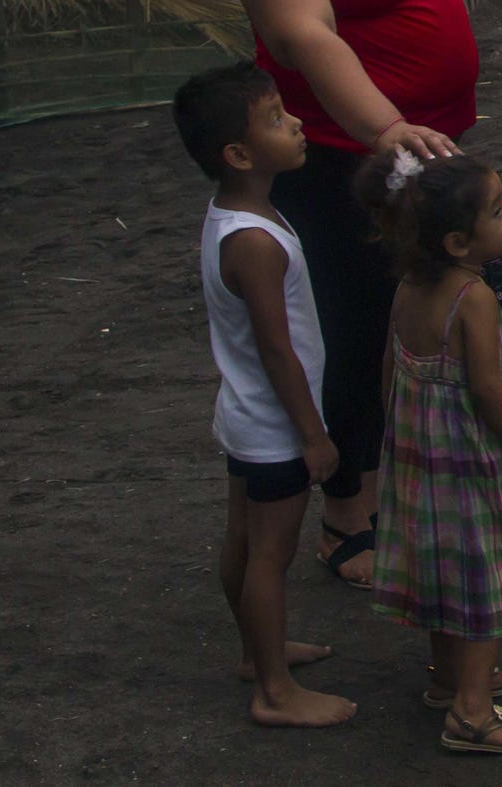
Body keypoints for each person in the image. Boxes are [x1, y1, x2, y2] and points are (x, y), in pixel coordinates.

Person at [217, 0, 480, 589]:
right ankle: (346, 513)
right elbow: (305, 34)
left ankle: (396, 477)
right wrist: (386, 130)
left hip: (430, 137)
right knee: (352, 324)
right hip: (343, 154)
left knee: (425, 315)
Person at [171, 61, 357, 730]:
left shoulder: (235, 213)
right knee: (269, 555)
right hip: (276, 425)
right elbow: (278, 349)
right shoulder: (255, 241)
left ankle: (260, 652)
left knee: (245, 540)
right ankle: (274, 690)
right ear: (238, 152)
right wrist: (313, 434)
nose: (298, 122)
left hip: (246, 414)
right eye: (277, 117)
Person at [355, 151, 502, 756]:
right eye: (498, 211)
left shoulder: (409, 288)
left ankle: (448, 679)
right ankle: (471, 711)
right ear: (458, 240)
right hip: (473, 466)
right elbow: (489, 389)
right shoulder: (474, 298)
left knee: (442, 575)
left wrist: (401, 442)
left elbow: (390, 367)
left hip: (421, 463)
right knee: (487, 581)